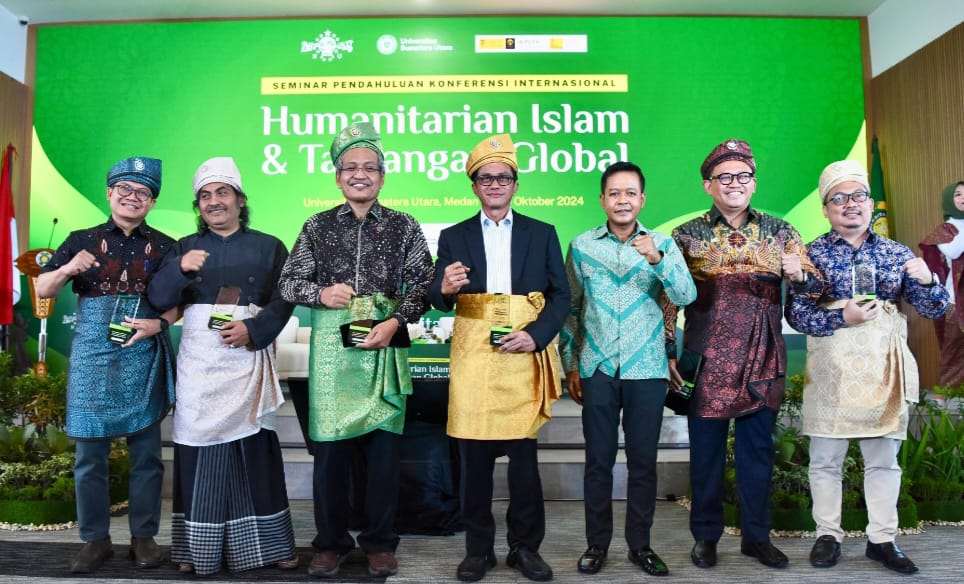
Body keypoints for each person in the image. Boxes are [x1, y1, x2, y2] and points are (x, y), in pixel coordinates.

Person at [278, 122, 434, 579]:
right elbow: (288, 282)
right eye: (351, 167)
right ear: (337, 177)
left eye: (370, 168)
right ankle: (330, 543)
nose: (360, 174)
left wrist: (396, 321)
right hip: (332, 353)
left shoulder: (404, 225)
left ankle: (380, 543)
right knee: (330, 455)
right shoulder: (317, 226)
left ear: (383, 177)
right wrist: (321, 293)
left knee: (384, 456)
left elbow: (424, 281)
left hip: (384, 345)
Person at [664, 139, 822, 570]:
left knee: (758, 456)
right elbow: (668, 300)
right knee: (705, 458)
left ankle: (757, 537)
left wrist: (800, 273)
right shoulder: (686, 235)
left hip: (764, 360)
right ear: (707, 185)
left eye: (743, 176)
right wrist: (668, 354)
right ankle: (706, 537)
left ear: (753, 183)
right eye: (725, 177)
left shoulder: (781, 231)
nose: (735, 184)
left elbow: (815, 288)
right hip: (706, 361)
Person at [788, 160, 948, 574]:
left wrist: (929, 281)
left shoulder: (897, 253)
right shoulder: (811, 254)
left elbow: (933, 310)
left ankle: (883, 539)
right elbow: (797, 315)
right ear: (825, 208)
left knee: (882, 460)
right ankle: (828, 535)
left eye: (857, 195)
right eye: (838, 198)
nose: (850, 204)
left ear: (869, 203)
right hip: (832, 369)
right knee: (825, 458)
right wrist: (843, 318)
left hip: (881, 366)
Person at [429, 133, 570, 583]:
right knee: (473, 466)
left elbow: (562, 297)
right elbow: (438, 298)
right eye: (485, 177)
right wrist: (445, 289)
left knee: (524, 466)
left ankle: (525, 549)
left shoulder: (542, 233)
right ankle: (478, 551)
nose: (494, 184)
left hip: (523, 354)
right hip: (473, 358)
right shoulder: (453, 237)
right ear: (474, 186)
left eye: (502, 177)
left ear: (515, 183)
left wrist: (537, 336)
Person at [147, 157, 297, 575]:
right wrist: (179, 268)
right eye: (205, 196)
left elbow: (284, 298)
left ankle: (273, 546)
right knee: (198, 447)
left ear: (239, 199)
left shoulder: (269, 246)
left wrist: (254, 328)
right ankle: (197, 551)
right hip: (200, 360)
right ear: (198, 205)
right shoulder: (182, 248)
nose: (214, 202)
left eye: (222, 192)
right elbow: (159, 298)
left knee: (255, 448)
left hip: (248, 356)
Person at [36, 157, 175, 574]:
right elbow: (43, 287)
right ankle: (94, 541)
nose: (133, 198)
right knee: (89, 456)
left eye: (143, 193)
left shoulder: (169, 246)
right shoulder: (82, 240)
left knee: (147, 454)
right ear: (109, 193)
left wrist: (159, 323)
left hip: (141, 348)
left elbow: (183, 301)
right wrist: (66, 268)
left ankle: (143, 539)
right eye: (125, 189)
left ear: (151, 202)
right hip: (93, 353)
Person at [560, 161, 696, 577]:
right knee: (598, 462)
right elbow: (571, 309)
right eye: (614, 193)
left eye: (630, 193)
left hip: (648, 368)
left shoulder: (663, 244)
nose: (622, 200)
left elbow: (686, 294)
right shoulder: (582, 245)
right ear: (602, 199)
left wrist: (657, 259)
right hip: (598, 367)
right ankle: (596, 546)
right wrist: (571, 364)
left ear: (642, 199)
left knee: (643, 463)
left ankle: (641, 546)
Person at [919, 180, 964, 391]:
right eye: (957, 194)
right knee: (954, 352)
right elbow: (953, 251)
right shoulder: (946, 229)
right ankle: (943, 400)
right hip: (956, 301)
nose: (963, 197)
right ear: (949, 200)